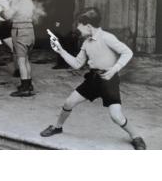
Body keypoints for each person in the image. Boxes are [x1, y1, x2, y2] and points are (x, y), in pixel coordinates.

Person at [40, 8, 146, 150]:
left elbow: (128, 52)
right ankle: (57, 127)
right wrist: (60, 50)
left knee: (116, 116)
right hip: (93, 79)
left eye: (79, 25)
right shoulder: (86, 42)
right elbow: (77, 64)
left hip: (109, 81)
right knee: (68, 103)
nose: (78, 29)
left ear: (88, 26)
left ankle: (136, 136)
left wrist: (113, 70)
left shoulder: (107, 37)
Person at [0, 0, 35, 97]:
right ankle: (28, 84)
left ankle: (25, 89)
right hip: (29, 31)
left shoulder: (18, 0)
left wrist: (2, 5)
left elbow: (8, 16)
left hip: (20, 31)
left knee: (20, 61)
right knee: (26, 59)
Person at [51, 0, 76, 69]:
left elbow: (62, 8)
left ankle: (62, 63)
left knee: (61, 41)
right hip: (67, 20)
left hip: (63, 20)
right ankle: (65, 63)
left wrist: (58, 21)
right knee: (65, 41)